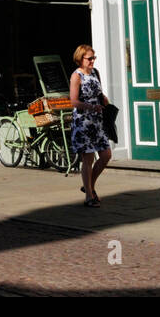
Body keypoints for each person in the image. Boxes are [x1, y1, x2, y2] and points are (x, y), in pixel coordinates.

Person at [69, 44, 112, 208]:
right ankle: (89, 195)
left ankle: (89, 186)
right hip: (84, 122)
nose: (93, 61)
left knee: (106, 155)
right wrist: (91, 107)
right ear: (80, 59)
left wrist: (104, 99)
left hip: (97, 121)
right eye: (89, 58)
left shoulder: (95, 73)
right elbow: (74, 101)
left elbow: (98, 92)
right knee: (88, 158)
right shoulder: (76, 76)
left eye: (94, 58)